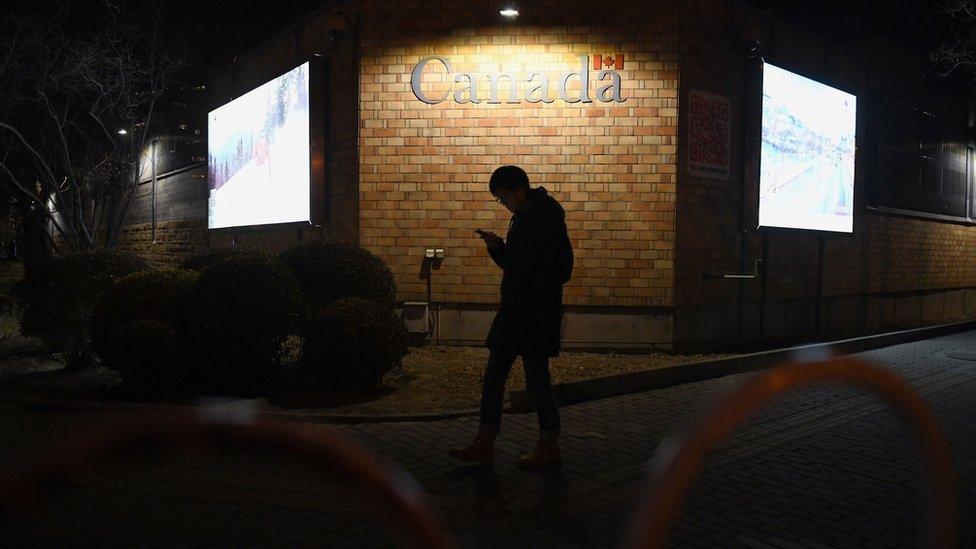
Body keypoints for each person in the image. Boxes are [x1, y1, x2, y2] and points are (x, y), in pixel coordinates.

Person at [448, 165, 574, 470]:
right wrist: (498, 248)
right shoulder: (522, 218)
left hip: (534, 315)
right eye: (499, 199)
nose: (503, 203)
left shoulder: (547, 219)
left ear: (520, 190)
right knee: (493, 378)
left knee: (537, 382)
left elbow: (562, 269)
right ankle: (485, 442)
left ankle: (549, 444)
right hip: (514, 313)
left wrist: (530, 276)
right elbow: (516, 265)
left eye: (504, 197)